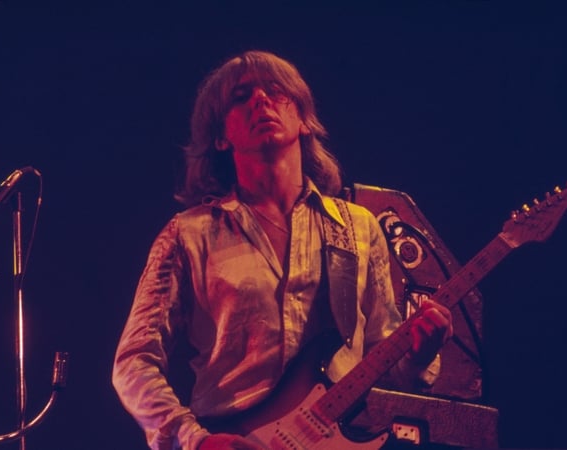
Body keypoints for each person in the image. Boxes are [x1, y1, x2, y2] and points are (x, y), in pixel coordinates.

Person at [112, 50, 453, 450]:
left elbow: (383, 359)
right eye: (241, 96)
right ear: (221, 137)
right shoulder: (189, 235)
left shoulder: (357, 227)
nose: (260, 100)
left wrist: (420, 352)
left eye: (275, 91)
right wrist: (195, 441)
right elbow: (133, 361)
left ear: (304, 120)